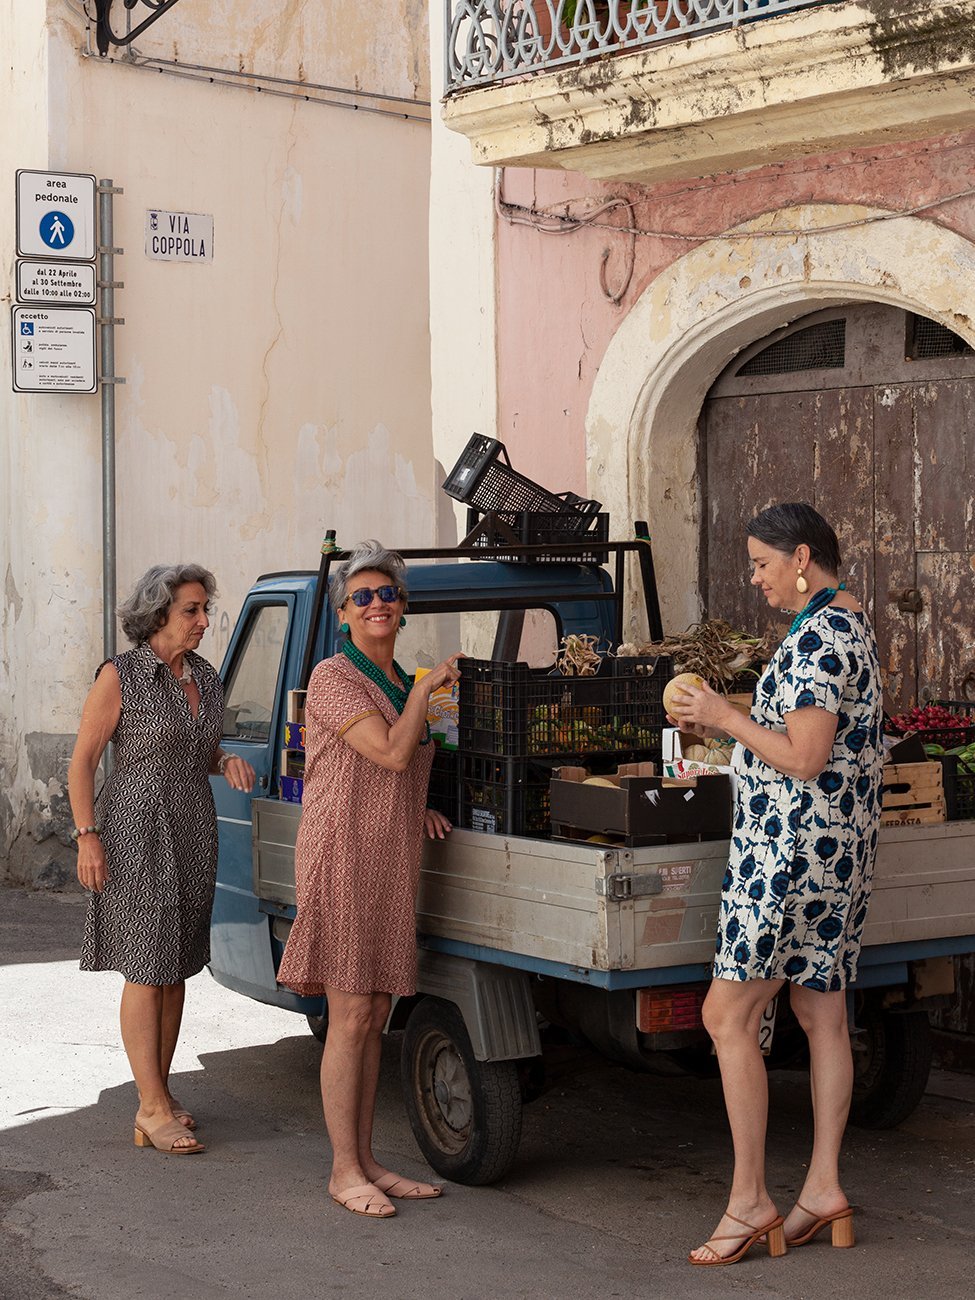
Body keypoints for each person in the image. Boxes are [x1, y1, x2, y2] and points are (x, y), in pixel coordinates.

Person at [667, 503, 883, 1266]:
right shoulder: (846, 621)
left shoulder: (821, 634)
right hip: (830, 852)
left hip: (789, 855)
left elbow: (803, 757)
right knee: (820, 1009)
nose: (755, 580)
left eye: (761, 564)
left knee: (726, 1017)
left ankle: (749, 1201)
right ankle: (821, 1190)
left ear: (800, 557)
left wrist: (724, 717)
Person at [276, 541, 462, 1219]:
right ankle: (342, 1170)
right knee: (350, 1015)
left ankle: (368, 1161)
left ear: (402, 608)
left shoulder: (395, 681)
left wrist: (423, 806)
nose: (378, 603)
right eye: (363, 596)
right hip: (342, 854)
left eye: (388, 594)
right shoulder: (334, 677)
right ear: (344, 615)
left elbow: (404, 764)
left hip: (388, 854)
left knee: (376, 1014)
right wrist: (422, 691)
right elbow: (387, 751)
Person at [68, 564, 255, 1155]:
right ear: (158, 616)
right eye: (192, 611)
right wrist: (86, 835)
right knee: (146, 968)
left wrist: (223, 760)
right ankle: (149, 1107)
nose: (204, 621)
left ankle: (161, 1094)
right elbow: (83, 760)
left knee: (176, 967)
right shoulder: (120, 675)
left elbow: (197, 749)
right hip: (137, 834)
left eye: (204, 609)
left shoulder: (203, 674)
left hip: (194, 831)